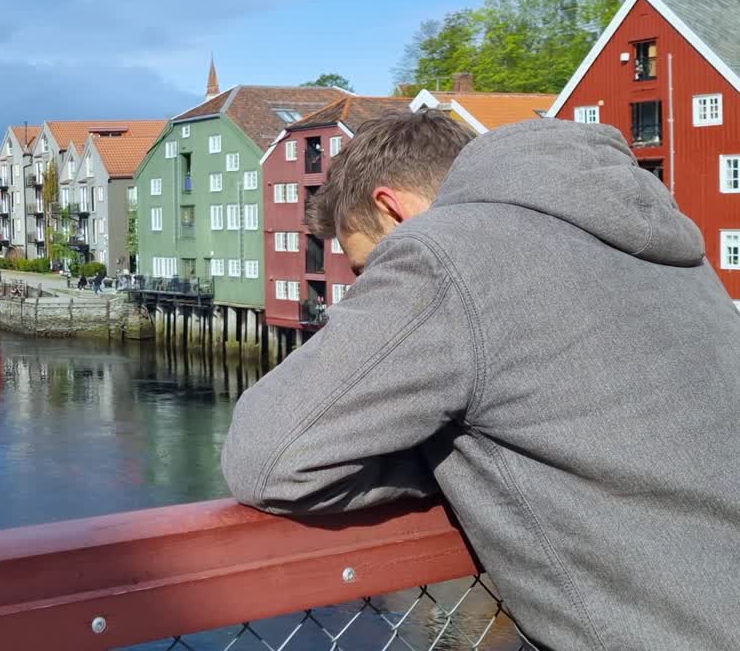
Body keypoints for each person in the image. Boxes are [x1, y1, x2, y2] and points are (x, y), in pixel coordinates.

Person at [221, 112, 740, 649]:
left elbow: (268, 459)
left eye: (364, 269)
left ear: (391, 208)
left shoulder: (443, 252)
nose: (365, 287)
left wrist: (446, 460)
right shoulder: (667, 245)